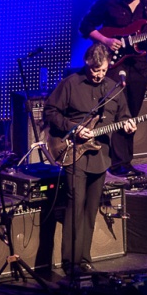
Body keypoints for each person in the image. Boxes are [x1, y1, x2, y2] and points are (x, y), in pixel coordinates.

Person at [43, 43, 136, 274]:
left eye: (103, 71)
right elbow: (50, 111)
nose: (99, 75)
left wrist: (129, 125)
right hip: (74, 154)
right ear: (87, 64)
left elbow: (124, 116)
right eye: (95, 71)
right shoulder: (71, 84)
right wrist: (73, 128)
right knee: (75, 206)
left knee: (91, 210)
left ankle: (84, 259)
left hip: (101, 157)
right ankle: (70, 263)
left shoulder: (114, 89)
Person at [79, 0, 147, 177]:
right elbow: (85, 26)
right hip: (114, 65)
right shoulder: (109, 2)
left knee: (132, 115)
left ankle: (126, 162)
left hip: (139, 66)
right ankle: (116, 163)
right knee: (115, 112)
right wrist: (105, 40)